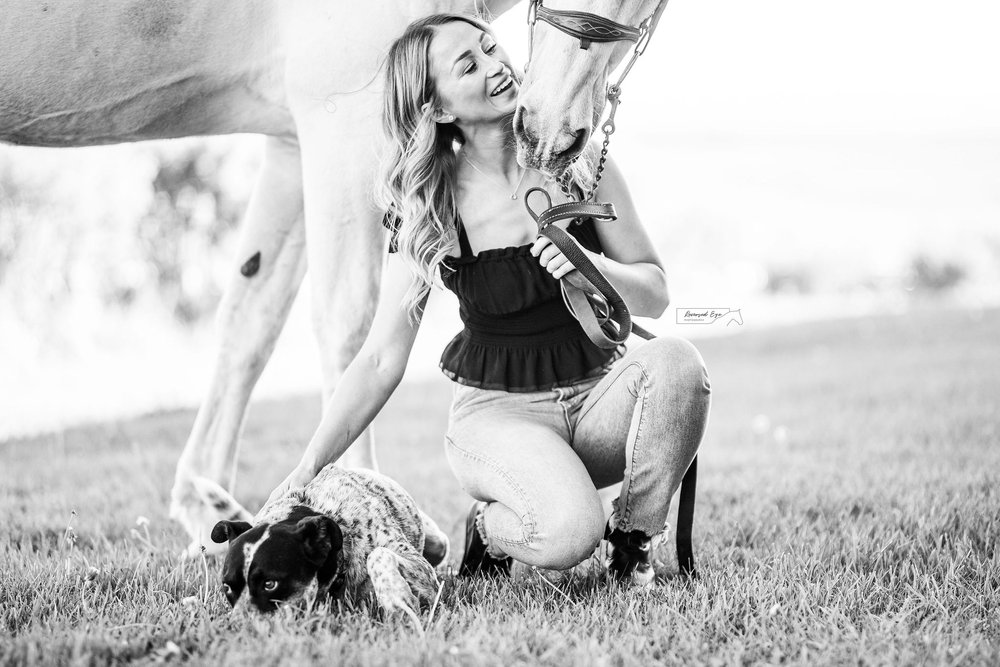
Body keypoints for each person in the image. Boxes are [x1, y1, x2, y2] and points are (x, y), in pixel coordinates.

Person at [266, 13, 711, 586]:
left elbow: (654, 292)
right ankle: (491, 528)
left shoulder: (582, 158)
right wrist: (305, 471)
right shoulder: (430, 202)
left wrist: (591, 269)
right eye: (468, 65)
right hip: (499, 419)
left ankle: (631, 542)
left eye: (490, 47)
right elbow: (380, 360)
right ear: (438, 108)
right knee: (569, 534)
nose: (496, 66)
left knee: (679, 364)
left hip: (598, 397)